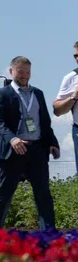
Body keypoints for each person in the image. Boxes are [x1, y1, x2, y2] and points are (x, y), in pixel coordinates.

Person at [0, 56, 61, 230]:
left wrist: (52, 142)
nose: (25, 75)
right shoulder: (2, 93)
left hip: (37, 149)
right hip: (14, 149)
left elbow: (44, 122)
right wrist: (12, 139)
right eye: (20, 71)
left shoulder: (38, 93)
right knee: (5, 193)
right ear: (11, 71)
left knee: (43, 193)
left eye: (28, 72)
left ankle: (49, 233)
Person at [54, 40, 78, 171]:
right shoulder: (71, 78)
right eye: (75, 56)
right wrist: (74, 97)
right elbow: (57, 110)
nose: (77, 58)